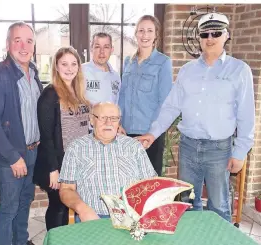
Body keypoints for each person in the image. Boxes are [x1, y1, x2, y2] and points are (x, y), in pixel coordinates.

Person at [137, 13, 255, 222]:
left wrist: (240, 152)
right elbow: (171, 106)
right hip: (188, 147)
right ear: (199, 37)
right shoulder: (187, 70)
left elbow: (246, 115)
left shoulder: (239, 70)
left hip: (219, 150)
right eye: (204, 34)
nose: (210, 38)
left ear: (226, 35)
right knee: (186, 204)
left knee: (219, 207)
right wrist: (153, 134)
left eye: (216, 33)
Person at [0, 22, 43, 245]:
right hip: (11, 157)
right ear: (8, 45)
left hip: (32, 152)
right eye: (17, 40)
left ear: (34, 45)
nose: (24, 46)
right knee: (8, 208)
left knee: (25, 201)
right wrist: (13, 157)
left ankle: (22, 241)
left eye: (29, 41)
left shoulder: (34, 73)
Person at [58, 102, 157, 223]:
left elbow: (152, 184)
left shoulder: (133, 147)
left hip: (131, 216)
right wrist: (83, 210)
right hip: (93, 218)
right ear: (91, 120)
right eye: (103, 118)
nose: (108, 123)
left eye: (114, 118)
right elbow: (66, 189)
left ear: (119, 122)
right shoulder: (76, 148)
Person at [33, 47, 90, 231]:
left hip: (76, 160)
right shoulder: (50, 95)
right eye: (64, 64)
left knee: (69, 207)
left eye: (74, 64)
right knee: (58, 207)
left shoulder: (77, 91)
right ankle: (54, 240)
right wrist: (53, 169)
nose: (69, 68)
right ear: (56, 66)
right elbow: (47, 136)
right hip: (58, 163)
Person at [118, 15, 173, 176]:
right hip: (126, 134)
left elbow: (165, 103)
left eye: (150, 31)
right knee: (127, 181)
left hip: (149, 136)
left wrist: (151, 134)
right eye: (141, 30)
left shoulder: (163, 63)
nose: (145, 35)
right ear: (136, 34)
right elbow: (122, 96)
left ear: (156, 35)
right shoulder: (128, 62)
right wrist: (118, 123)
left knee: (149, 184)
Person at [82, 32, 121, 105]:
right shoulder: (81, 71)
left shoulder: (116, 77)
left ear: (111, 50)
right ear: (91, 48)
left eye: (106, 47)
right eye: (97, 47)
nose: (102, 52)